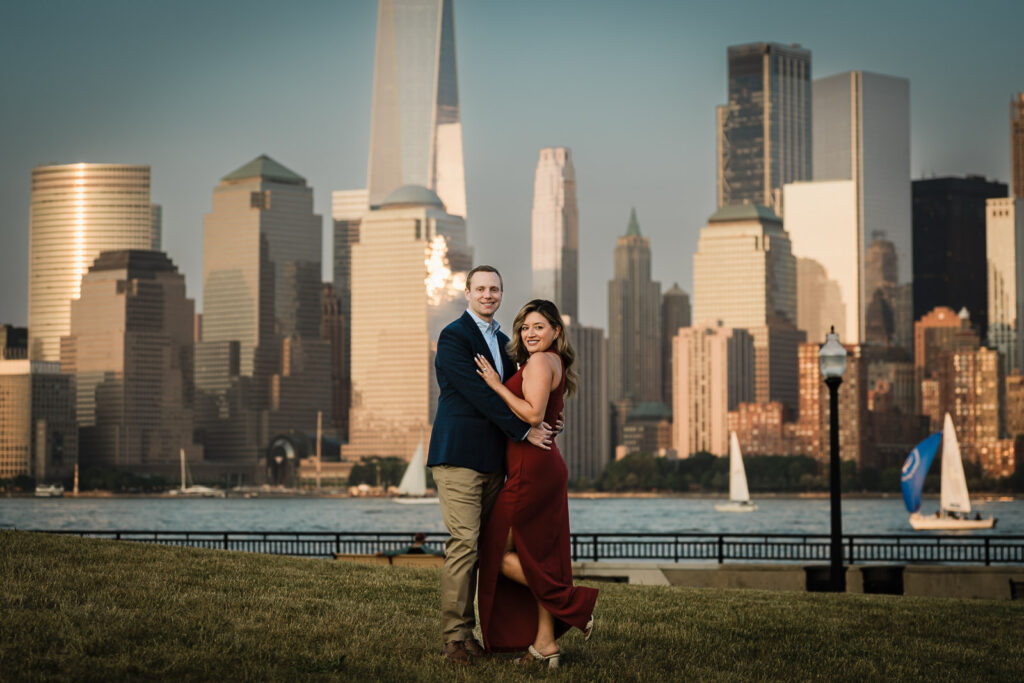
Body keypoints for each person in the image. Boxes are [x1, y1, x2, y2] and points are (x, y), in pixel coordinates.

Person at [426, 266, 557, 666]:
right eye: (480, 288)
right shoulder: (452, 337)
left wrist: (548, 416)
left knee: (493, 548)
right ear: (466, 292)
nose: (487, 294)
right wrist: (522, 431)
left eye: (494, 289)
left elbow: (522, 394)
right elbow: (479, 396)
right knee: (465, 544)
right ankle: (455, 640)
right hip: (459, 457)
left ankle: (495, 635)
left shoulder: (506, 342)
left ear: (501, 293)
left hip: (496, 463)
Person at [474, 299, 598, 669]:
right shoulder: (548, 362)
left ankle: (571, 603)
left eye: (539, 327)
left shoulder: (542, 361)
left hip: (532, 470)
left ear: (556, 331)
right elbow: (546, 414)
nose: (530, 333)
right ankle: (545, 644)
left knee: (491, 552)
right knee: (536, 556)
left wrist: (496, 385)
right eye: (525, 327)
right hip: (541, 467)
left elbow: (532, 414)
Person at [376, 532, 444, 558]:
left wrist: (383, 553)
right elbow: (435, 552)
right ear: (423, 540)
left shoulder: (408, 548)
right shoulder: (425, 548)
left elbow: (395, 552)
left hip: (408, 564)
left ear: (415, 539)